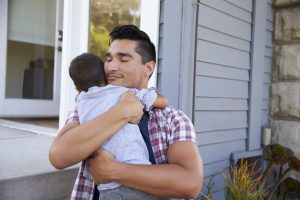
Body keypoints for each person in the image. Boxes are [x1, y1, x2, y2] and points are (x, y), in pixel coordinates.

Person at [49, 25, 203, 199]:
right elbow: (59, 157)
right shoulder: (85, 108)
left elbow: (190, 183)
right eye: (109, 59)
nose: (111, 67)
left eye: (123, 60)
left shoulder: (173, 119)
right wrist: (121, 112)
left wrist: (113, 171)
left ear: (149, 68)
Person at [68, 52, 168, 199]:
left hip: (106, 186)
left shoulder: (80, 103)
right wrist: (159, 98)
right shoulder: (122, 93)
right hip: (137, 173)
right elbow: (159, 101)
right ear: (105, 76)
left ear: (77, 89)